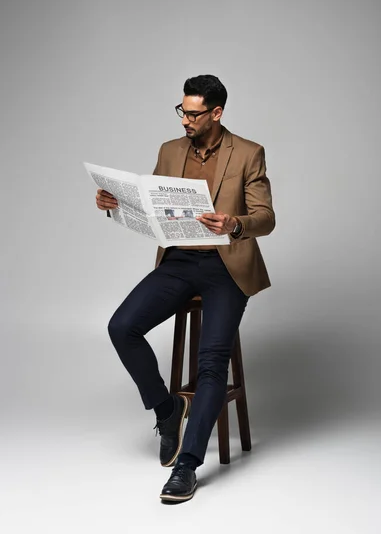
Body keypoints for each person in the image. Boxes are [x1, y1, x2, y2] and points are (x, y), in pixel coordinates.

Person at [95, 74, 276, 503]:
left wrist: (234, 224)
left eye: (194, 114)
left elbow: (266, 218)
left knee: (211, 363)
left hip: (225, 266)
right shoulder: (170, 150)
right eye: (182, 111)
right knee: (122, 327)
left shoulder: (249, 153)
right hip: (178, 262)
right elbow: (155, 203)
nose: (185, 121)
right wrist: (117, 204)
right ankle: (167, 409)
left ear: (216, 113)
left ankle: (187, 465)